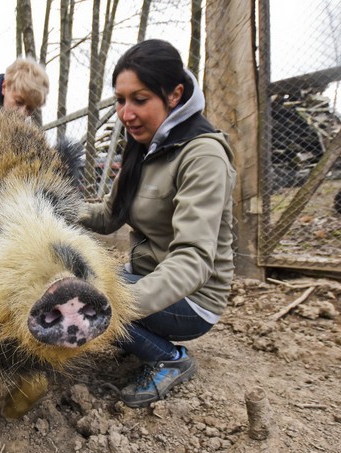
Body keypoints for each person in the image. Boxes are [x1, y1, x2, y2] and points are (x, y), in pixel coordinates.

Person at [80, 39, 237, 408]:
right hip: (148, 277)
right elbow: (108, 215)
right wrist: (54, 207)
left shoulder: (203, 156)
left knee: (91, 298)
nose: (126, 113)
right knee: (80, 284)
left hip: (193, 298)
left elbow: (194, 260)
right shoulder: (146, 143)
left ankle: (170, 358)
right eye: (120, 100)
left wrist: (120, 302)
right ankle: (128, 327)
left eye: (140, 99)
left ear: (174, 94)